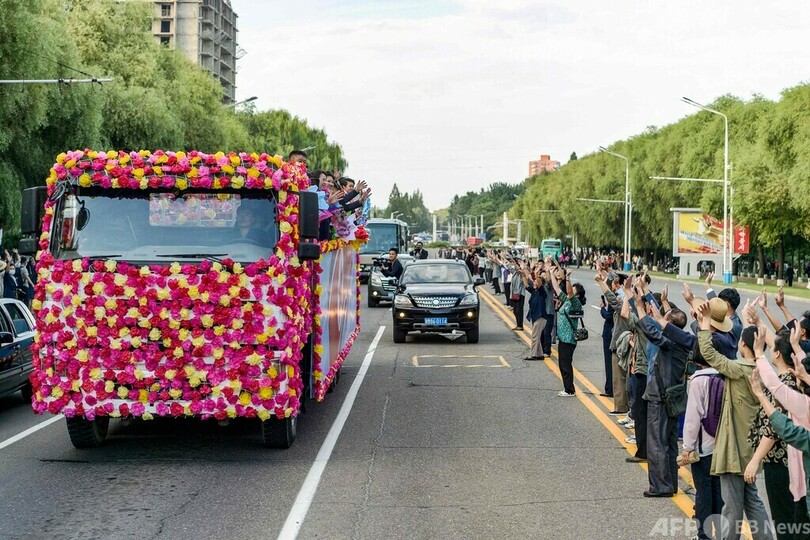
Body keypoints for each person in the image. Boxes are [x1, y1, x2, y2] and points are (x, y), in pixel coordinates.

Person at [696, 304, 774, 540]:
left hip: (734, 449)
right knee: (752, 501)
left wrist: (704, 326)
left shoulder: (740, 369)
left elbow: (710, 356)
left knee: (731, 507)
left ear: (744, 346)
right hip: (751, 448)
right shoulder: (764, 370)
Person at [680, 341, 724, 540]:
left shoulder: (698, 380)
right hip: (721, 445)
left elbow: (693, 418)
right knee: (718, 491)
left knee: (703, 492)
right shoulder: (724, 376)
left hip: (702, 446)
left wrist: (687, 448)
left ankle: (703, 535)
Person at [549, 262, 585, 397]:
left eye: (574, 289)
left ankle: (569, 390)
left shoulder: (576, 302)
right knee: (563, 363)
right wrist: (552, 273)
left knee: (565, 364)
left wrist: (568, 277)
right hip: (563, 337)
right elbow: (556, 288)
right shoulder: (566, 301)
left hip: (569, 337)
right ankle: (567, 387)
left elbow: (569, 292)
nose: (571, 289)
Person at [522, 261, 549, 360]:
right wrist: (523, 274)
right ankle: (540, 354)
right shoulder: (535, 292)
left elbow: (539, 283)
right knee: (536, 336)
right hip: (535, 316)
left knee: (534, 337)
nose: (534, 283)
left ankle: (533, 354)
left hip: (540, 317)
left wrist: (536, 274)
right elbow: (526, 285)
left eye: (536, 282)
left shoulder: (542, 292)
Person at [599, 291, 615, 397]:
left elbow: (609, 317)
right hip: (613, 333)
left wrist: (602, 308)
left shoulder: (615, 298)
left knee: (609, 362)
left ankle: (610, 388)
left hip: (610, 333)